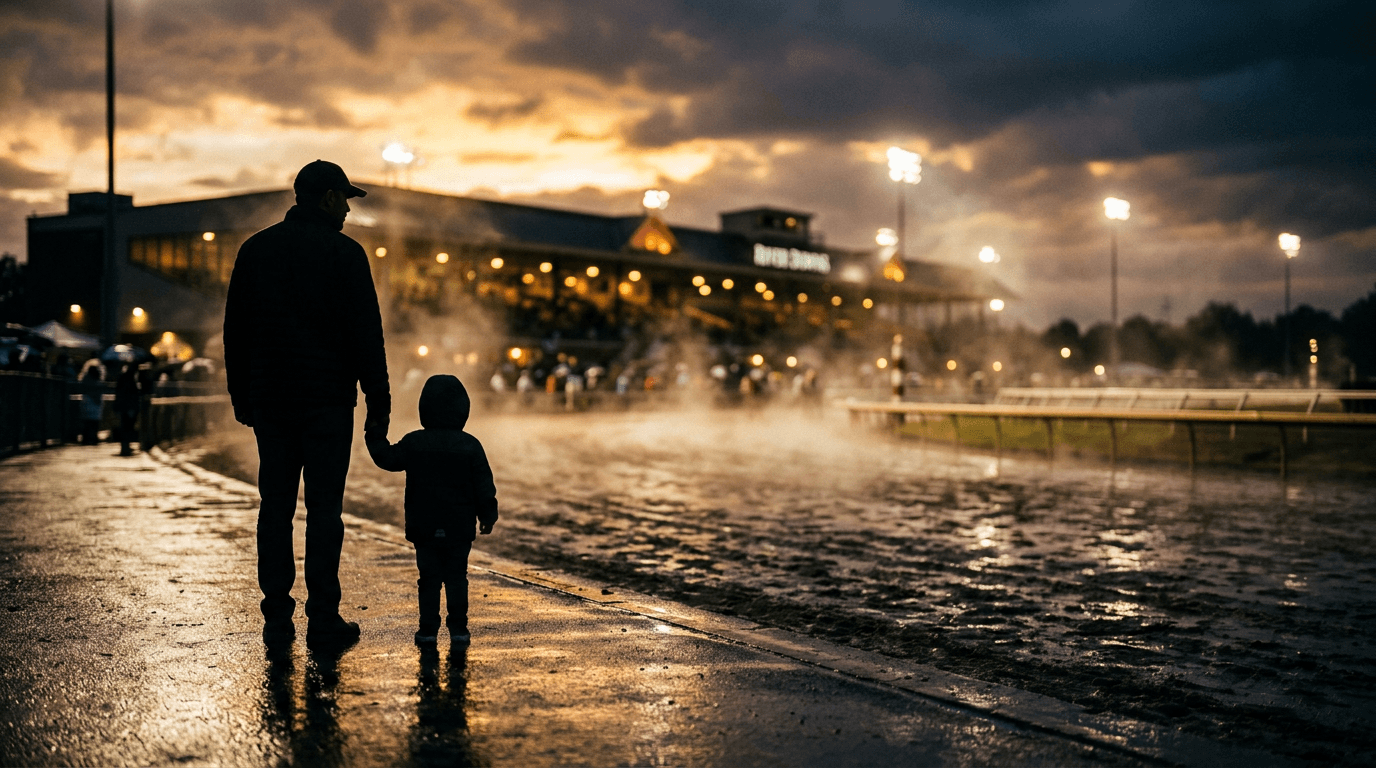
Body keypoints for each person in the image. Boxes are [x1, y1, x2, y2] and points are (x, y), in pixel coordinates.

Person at [223, 159, 390, 651]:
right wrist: (377, 405)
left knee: (274, 508)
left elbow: (236, 332)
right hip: (326, 404)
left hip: (272, 402)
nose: (348, 210)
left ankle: (277, 618)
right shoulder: (345, 254)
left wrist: (242, 396)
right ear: (329, 198)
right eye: (345, 199)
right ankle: (323, 619)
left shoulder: (256, 250)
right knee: (324, 513)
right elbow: (367, 336)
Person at [365, 374, 498, 646]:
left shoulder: (414, 442)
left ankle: (427, 630)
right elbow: (484, 485)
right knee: (457, 576)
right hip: (460, 527)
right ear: (464, 409)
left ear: (424, 407)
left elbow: (386, 458)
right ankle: (459, 629)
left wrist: (375, 431)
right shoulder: (470, 445)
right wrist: (488, 515)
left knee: (428, 578)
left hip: (423, 525)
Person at [113, 362, 142, 456]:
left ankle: (125, 447)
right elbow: (133, 395)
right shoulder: (130, 380)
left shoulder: (122, 377)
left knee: (124, 427)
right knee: (128, 427)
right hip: (129, 408)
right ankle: (126, 447)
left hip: (123, 407)